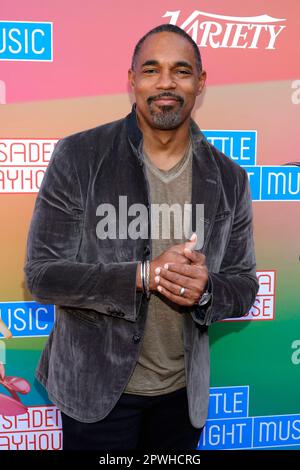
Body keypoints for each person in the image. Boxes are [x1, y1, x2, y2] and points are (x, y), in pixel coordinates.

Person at [24, 24, 259, 451]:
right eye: (151, 70)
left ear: (200, 83)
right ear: (131, 80)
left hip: (181, 399)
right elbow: (42, 275)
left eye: (181, 71)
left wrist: (206, 290)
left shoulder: (230, 178)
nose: (166, 82)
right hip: (95, 396)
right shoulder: (79, 156)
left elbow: (243, 286)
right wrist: (144, 275)